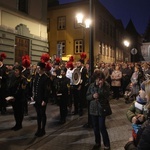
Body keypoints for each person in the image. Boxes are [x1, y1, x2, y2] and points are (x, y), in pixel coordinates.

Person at [86, 71, 112, 150]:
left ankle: (106, 144)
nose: (99, 81)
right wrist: (92, 96)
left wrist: (100, 88)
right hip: (93, 109)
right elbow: (87, 96)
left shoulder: (106, 86)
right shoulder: (91, 86)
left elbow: (107, 96)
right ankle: (97, 142)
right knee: (95, 127)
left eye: (101, 79)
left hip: (102, 109)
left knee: (102, 127)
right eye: (97, 79)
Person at [124, 80, 150, 150]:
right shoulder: (136, 102)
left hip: (142, 130)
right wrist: (132, 117)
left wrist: (144, 118)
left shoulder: (147, 105)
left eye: (142, 90)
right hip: (137, 129)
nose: (139, 91)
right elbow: (129, 111)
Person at [32, 61, 50, 137]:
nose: (37, 69)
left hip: (42, 100)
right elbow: (34, 87)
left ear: (42, 69)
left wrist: (45, 100)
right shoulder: (36, 76)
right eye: (37, 68)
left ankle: (43, 129)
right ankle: (38, 128)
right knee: (38, 115)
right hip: (36, 99)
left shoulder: (46, 78)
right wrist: (32, 96)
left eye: (39, 68)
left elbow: (47, 90)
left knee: (42, 114)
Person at [7, 65, 27, 131]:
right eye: (15, 71)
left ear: (20, 72)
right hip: (13, 98)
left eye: (16, 71)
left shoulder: (23, 79)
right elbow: (11, 86)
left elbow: (22, 90)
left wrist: (15, 96)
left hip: (19, 98)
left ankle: (19, 124)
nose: (15, 72)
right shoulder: (14, 78)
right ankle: (16, 124)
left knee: (19, 112)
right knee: (15, 112)